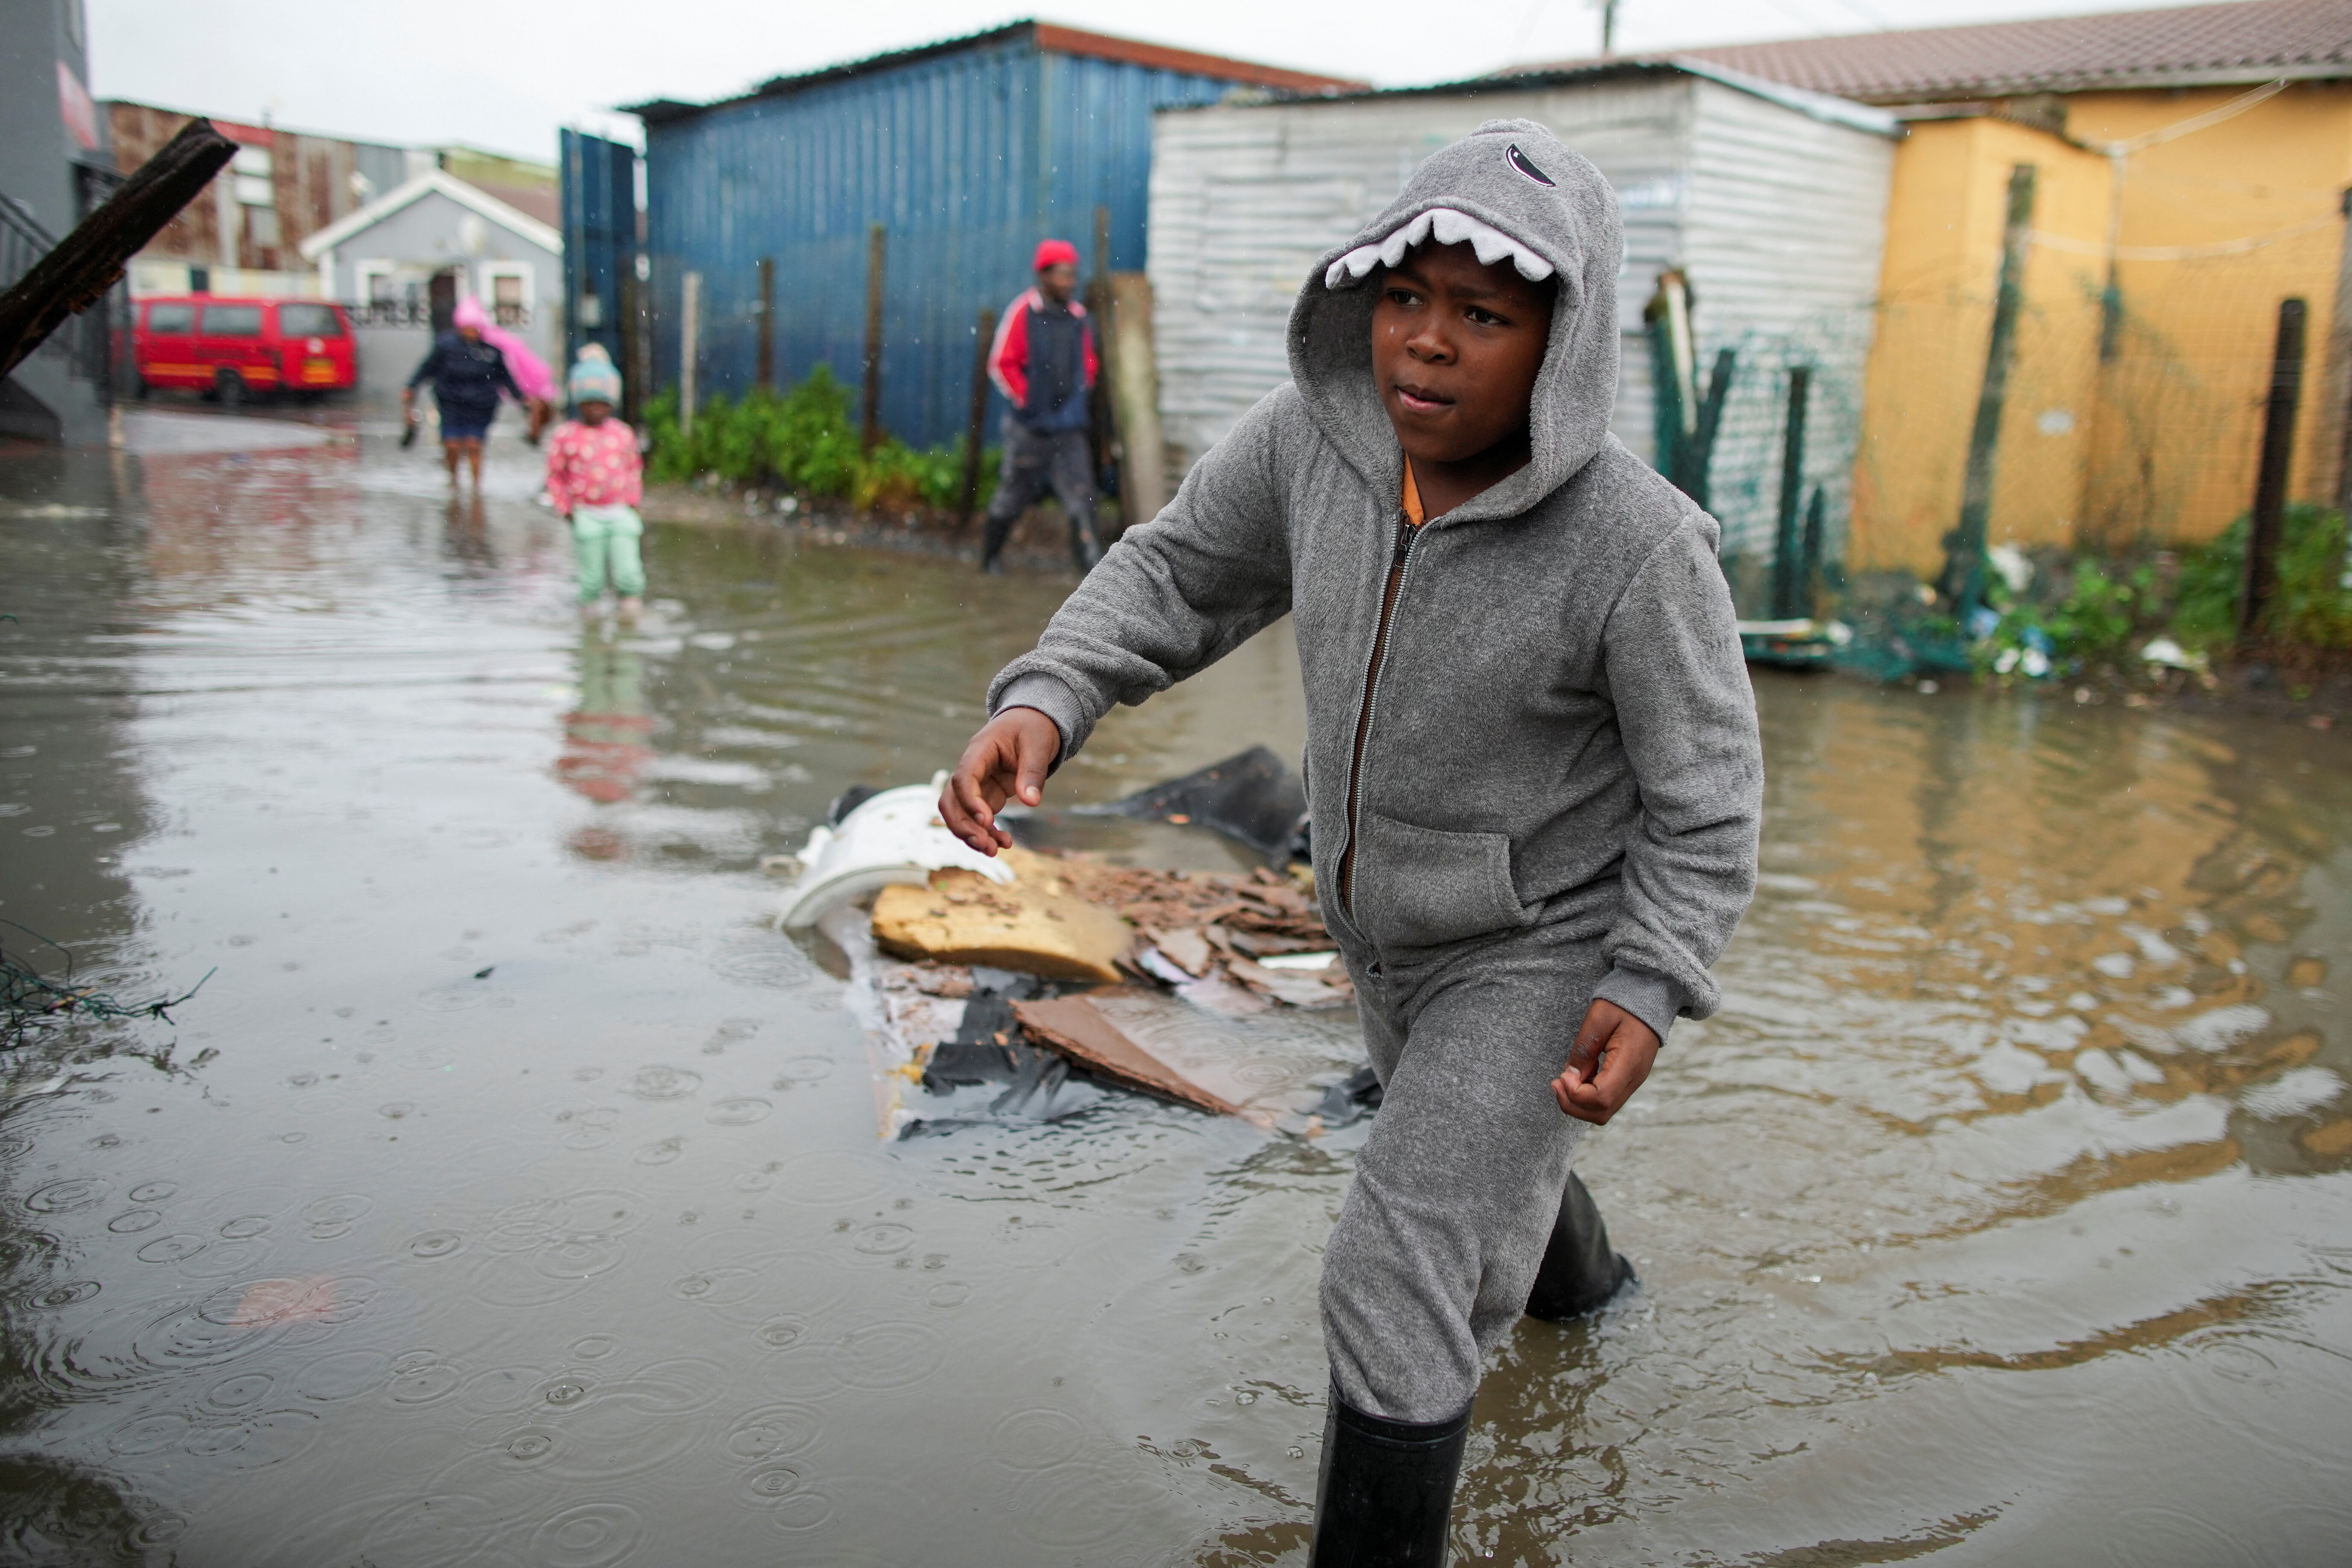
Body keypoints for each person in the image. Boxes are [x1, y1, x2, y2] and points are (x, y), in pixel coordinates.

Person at [939, 121, 1762, 1562]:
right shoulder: (1314, 449)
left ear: (1559, 341)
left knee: (1394, 1264)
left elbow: (1710, 789)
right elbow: (1179, 569)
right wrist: (1053, 696)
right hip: (1376, 927)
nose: (1428, 345)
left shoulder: (1638, 547)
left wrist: (1651, 977)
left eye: (1484, 314)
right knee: (1484, 1165)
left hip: (1540, 945)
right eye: (1406, 298)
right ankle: (1595, 1302)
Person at [980, 238, 1102, 574]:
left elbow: (1089, 364)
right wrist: (1027, 398)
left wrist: (1079, 396)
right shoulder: (1023, 312)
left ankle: (1091, 573)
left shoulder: (1079, 319)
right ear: (1043, 276)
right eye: (1062, 275)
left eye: (1072, 274)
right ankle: (990, 560)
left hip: (1069, 428)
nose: (1069, 282)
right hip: (1029, 428)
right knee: (1012, 494)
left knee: (1083, 498)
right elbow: (1000, 364)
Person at [544, 345, 645, 621]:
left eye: (602, 403)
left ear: (612, 403)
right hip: (586, 513)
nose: (596, 409)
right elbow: (555, 475)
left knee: (629, 572)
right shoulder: (565, 436)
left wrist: (633, 502)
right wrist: (565, 508)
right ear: (578, 403)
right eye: (589, 403)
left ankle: (630, 616)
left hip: (621, 511)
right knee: (591, 578)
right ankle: (589, 625)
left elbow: (634, 469)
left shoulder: (623, 434)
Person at [403, 297, 523, 488]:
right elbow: (428, 368)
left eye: (475, 327)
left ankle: (476, 487)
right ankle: (454, 480)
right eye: (467, 327)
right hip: (451, 402)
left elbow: (505, 377)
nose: (471, 332)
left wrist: (521, 399)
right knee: (451, 444)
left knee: (474, 444)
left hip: (481, 405)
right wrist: (412, 387)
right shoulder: (446, 346)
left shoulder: (492, 351)